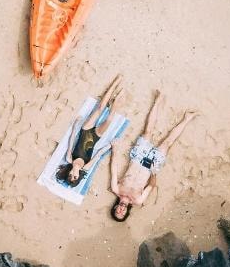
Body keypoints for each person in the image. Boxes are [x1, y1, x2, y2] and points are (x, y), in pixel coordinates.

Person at [109, 92, 196, 222]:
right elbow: (151, 186)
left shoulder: (116, 189)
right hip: (150, 168)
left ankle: (158, 100)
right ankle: (187, 118)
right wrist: (154, 172)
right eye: (122, 214)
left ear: (115, 207)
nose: (121, 211)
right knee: (167, 143)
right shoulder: (138, 200)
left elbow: (114, 169)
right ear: (127, 212)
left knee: (148, 132)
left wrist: (115, 150)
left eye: (118, 212)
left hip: (137, 158)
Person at [57, 73, 124, 187]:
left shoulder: (69, 159)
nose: (73, 174)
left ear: (68, 173)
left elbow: (71, 142)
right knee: (109, 119)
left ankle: (115, 83)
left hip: (85, 130)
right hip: (96, 136)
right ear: (79, 176)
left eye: (70, 175)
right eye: (75, 177)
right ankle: (117, 98)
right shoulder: (86, 167)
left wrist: (74, 127)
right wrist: (110, 146)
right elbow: (98, 154)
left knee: (100, 108)